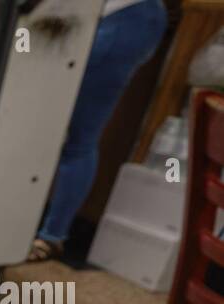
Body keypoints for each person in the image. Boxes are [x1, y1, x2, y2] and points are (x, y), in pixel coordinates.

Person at [29, 0, 168, 261]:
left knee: (78, 137)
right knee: (59, 130)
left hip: (124, 15)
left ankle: (50, 236)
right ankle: (41, 232)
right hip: (108, 15)